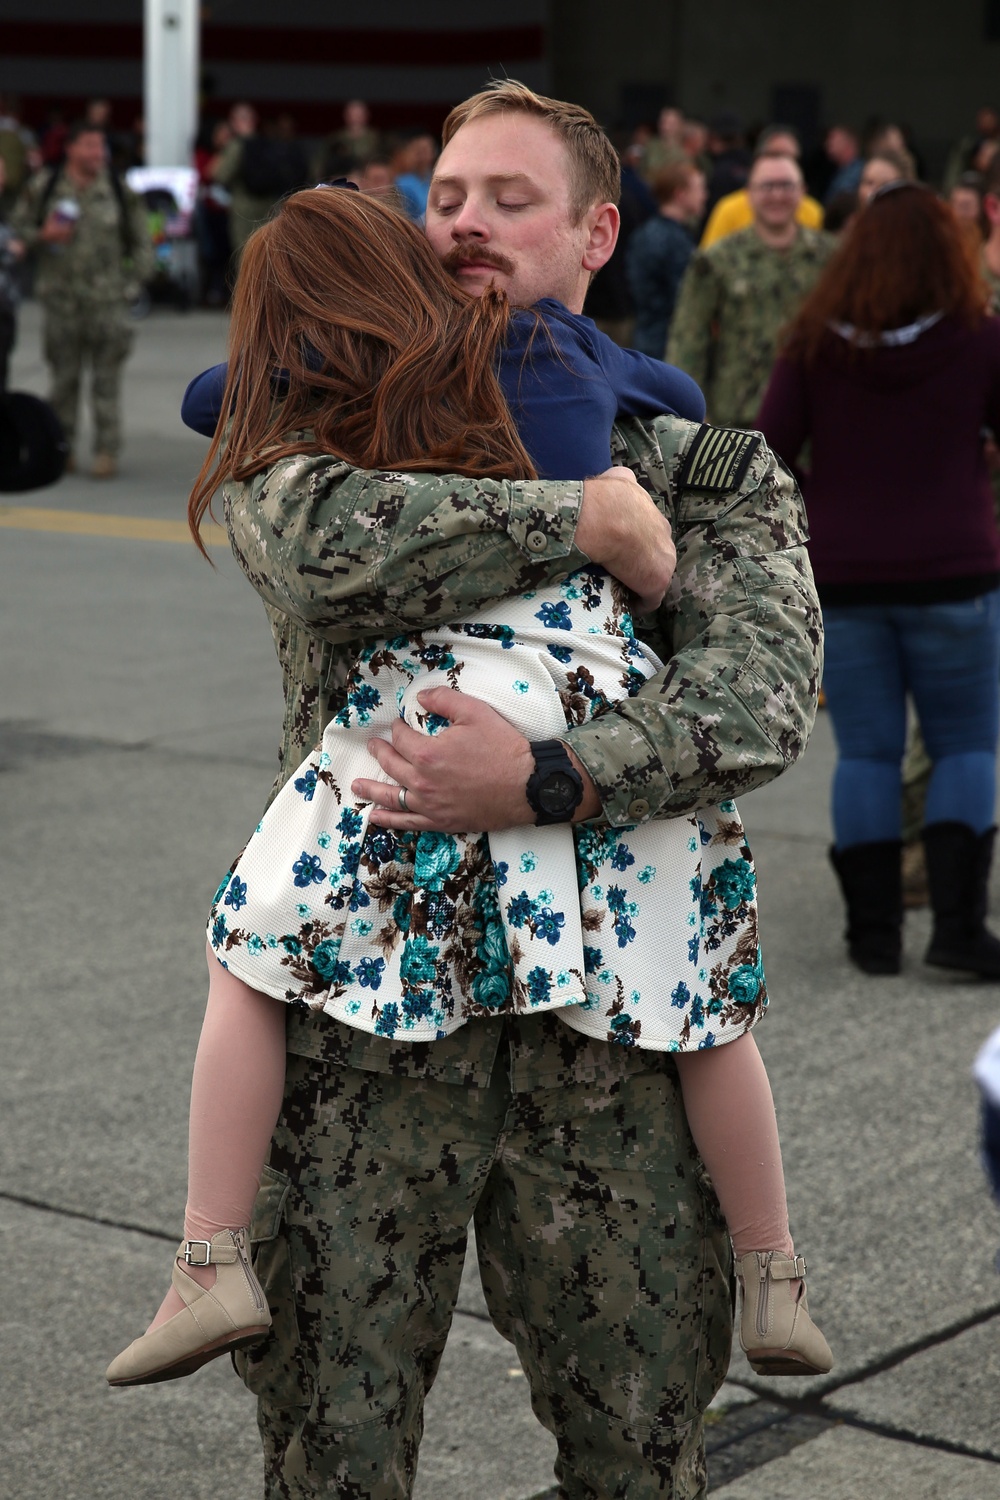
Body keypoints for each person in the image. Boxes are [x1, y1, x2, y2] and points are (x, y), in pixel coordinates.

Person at [123, 81, 823, 1496]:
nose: (465, 228)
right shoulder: (317, 431)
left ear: (598, 235)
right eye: (444, 199)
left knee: (638, 1445)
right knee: (334, 1445)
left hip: (613, 1052)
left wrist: (545, 777)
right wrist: (574, 517)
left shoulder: (700, 467)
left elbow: (755, 698)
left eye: (511, 201)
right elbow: (324, 550)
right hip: (365, 1040)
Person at [758, 181, 1000, 977]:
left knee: (865, 754)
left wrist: (824, 496)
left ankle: (873, 939)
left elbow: (769, 448)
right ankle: (960, 931)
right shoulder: (980, 338)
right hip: (956, 571)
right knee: (966, 745)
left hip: (847, 573)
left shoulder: (815, 345)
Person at [10, 121, 153, 478]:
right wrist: (43, 235)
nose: (97, 154)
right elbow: (16, 233)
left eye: (100, 146)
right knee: (63, 380)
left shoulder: (118, 188)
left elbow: (142, 239)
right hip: (61, 303)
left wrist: (132, 284)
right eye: (90, 146)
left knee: (106, 381)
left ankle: (107, 450)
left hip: (107, 303)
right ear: (71, 149)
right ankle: (63, 448)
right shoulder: (46, 186)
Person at [668, 149, 834, 429]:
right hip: (738, 421)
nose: (777, 196)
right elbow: (688, 341)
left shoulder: (831, 258)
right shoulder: (717, 259)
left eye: (786, 186)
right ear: (749, 193)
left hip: (816, 419)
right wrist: (689, 419)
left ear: (803, 191)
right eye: (767, 186)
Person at [626, 159, 705, 357]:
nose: (704, 196)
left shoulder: (643, 233)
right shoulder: (676, 241)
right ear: (680, 194)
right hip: (667, 346)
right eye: (700, 188)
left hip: (644, 340)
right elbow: (685, 300)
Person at [699, 126, 825, 248]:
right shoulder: (729, 210)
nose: (777, 196)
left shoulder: (813, 213)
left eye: (790, 158)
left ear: (803, 189)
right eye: (774, 155)